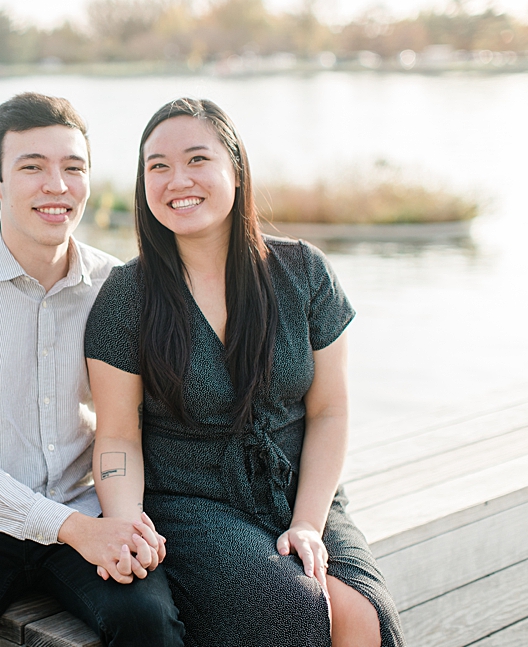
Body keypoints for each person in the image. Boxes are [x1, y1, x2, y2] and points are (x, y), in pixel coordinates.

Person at [84, 97, 405, 647]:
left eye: (197, 159)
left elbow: (330, 411)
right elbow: (116, 434)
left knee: (363, 616)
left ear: (236, 169)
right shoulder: (126, 296)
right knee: (294, 612)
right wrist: (125, 523)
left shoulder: (303, 272)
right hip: (192, 502)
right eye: (157, 166)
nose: (176, 179)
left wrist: (307, 520)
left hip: (298, 487)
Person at [0, 92, 185, 647]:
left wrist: (121, 520)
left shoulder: (115, 287)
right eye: (33, 167)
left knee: (150, 624)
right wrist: (76, 531)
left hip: (88, 507)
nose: (58, 186)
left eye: (74, 168)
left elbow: (137, 422)